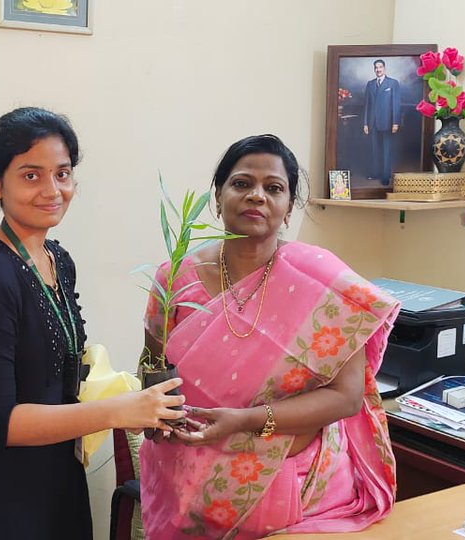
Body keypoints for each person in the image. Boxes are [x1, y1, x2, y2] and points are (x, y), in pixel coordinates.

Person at [0, 107, 185, 540]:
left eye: (62, 174)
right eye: (31, 175)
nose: (52, 190)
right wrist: (117, 411)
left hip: (54, 479)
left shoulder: (57, 259)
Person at [139, 135, 400, 539]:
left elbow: (347, 397)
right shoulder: (176, 278)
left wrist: (245, 421)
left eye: (273, 188)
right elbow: (152, 367)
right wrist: (154, 418)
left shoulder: (323, 284)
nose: (257, 196)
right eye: (242, 183)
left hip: (303, 490)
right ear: (218, 196)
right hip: (193, 485)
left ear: (289, 207)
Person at [363, 59, 401, 185]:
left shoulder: (393, 83)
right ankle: (375, 173)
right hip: (373, 122)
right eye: (376, 67)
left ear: (384, 68)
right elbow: (367, 105)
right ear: (374, 69)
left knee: (386, 150)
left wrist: (395, 122)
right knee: (375, 150)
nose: (378, 69)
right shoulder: (370, 84)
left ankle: (385, 176)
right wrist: (365, 123)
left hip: (387, 122)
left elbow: (396, 104)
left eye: (380, 67)